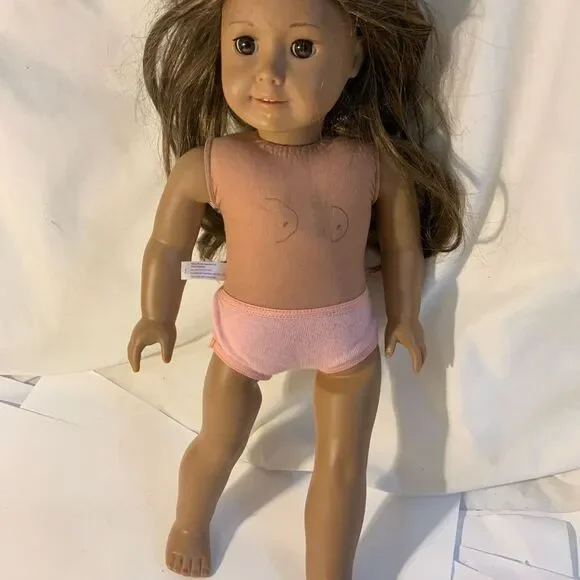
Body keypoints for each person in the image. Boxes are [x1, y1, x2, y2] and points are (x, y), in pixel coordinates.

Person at [128, 0, 464, 577]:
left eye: (302, 48)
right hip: (244, 342)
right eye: (245, 45)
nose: (269, 73)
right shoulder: (209, 164)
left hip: (347, 344)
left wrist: (405, 314)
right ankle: (189, 521)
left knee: (343, 465)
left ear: (354, 54)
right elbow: (166, 246)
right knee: (217, 442)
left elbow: (402, 247)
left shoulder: (374, 165)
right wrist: (156, 314)